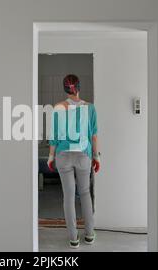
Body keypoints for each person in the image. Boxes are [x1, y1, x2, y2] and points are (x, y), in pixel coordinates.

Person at [47, 74, 101, 249]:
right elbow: (93, 135)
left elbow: (54, 137)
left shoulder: (58, 108)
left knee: (68, 196)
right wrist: (96, 157)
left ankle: (73, 239)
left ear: (65, 89)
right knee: (85, 193)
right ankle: (90, 235)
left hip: (63, 155)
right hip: (83, 155)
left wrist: (50, 157)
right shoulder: (90, 108)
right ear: (78, 87)